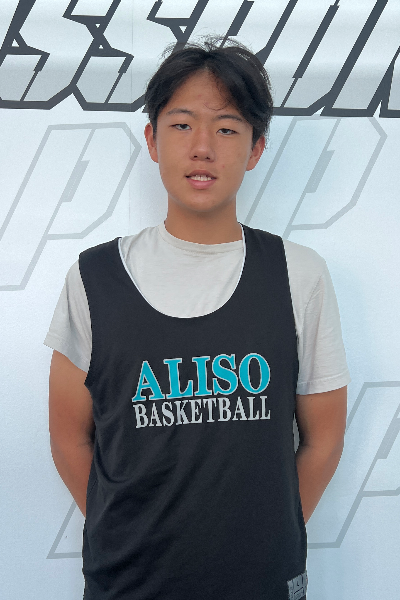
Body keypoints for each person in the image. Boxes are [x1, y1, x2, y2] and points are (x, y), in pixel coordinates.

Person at [45, 35, 350, 600]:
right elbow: (68, 438)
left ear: (256, 148)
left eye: (227, 129)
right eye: (182, 125)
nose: (203, 147)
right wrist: (128, 533)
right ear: (152, 140)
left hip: (261, 581)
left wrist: (265, 537)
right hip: (128, 583)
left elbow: (324, 440)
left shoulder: (298, 275)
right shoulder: (94, 278)